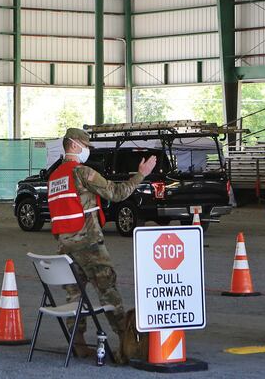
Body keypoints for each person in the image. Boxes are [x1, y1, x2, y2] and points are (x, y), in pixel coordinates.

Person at [47, 128, 156, 359]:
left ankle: (78, 344)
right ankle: (127, 344)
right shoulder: (82, 172)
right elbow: (116, 193)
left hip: (64, 248)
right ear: (75, 145)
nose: (88, 151)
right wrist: (140, 175)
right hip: (89, 246)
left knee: (74, 296)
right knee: (109, 292)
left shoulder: (54, 177)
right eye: (86, 146)